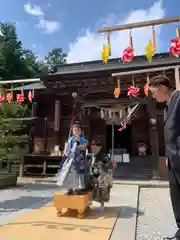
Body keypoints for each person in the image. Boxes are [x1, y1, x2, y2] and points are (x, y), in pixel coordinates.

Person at [148, 74, 180, 240]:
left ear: (162, 88)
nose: (153, 96)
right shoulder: (167, 107)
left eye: (154, 93)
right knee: (176, 197)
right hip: (173, 160)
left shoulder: (179, 100)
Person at [56, 122, 88, 195]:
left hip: (79, 160)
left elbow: (83, 149)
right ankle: (69, 188)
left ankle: (76, 188)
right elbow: (67, 150)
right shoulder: (70, 139)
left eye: (77, 130)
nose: (76, 131)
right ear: (72, 131)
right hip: (70, 159)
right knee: (68, 173)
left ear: (81, 132)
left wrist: (78, 140)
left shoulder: (83, 140)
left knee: (77, 174)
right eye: (74, 130)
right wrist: (66, 150)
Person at [90, 140, 113, 211]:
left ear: (100, 147)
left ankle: (102, 206)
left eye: (95, 147)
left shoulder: (103, 155)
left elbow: (109, 164)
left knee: (102, 190)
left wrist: (101, 167)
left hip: (103, 175)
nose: (93, 149)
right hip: (95, 175)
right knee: (96, 191)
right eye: (92, 147)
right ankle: (98, 204)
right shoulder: (93, 155)